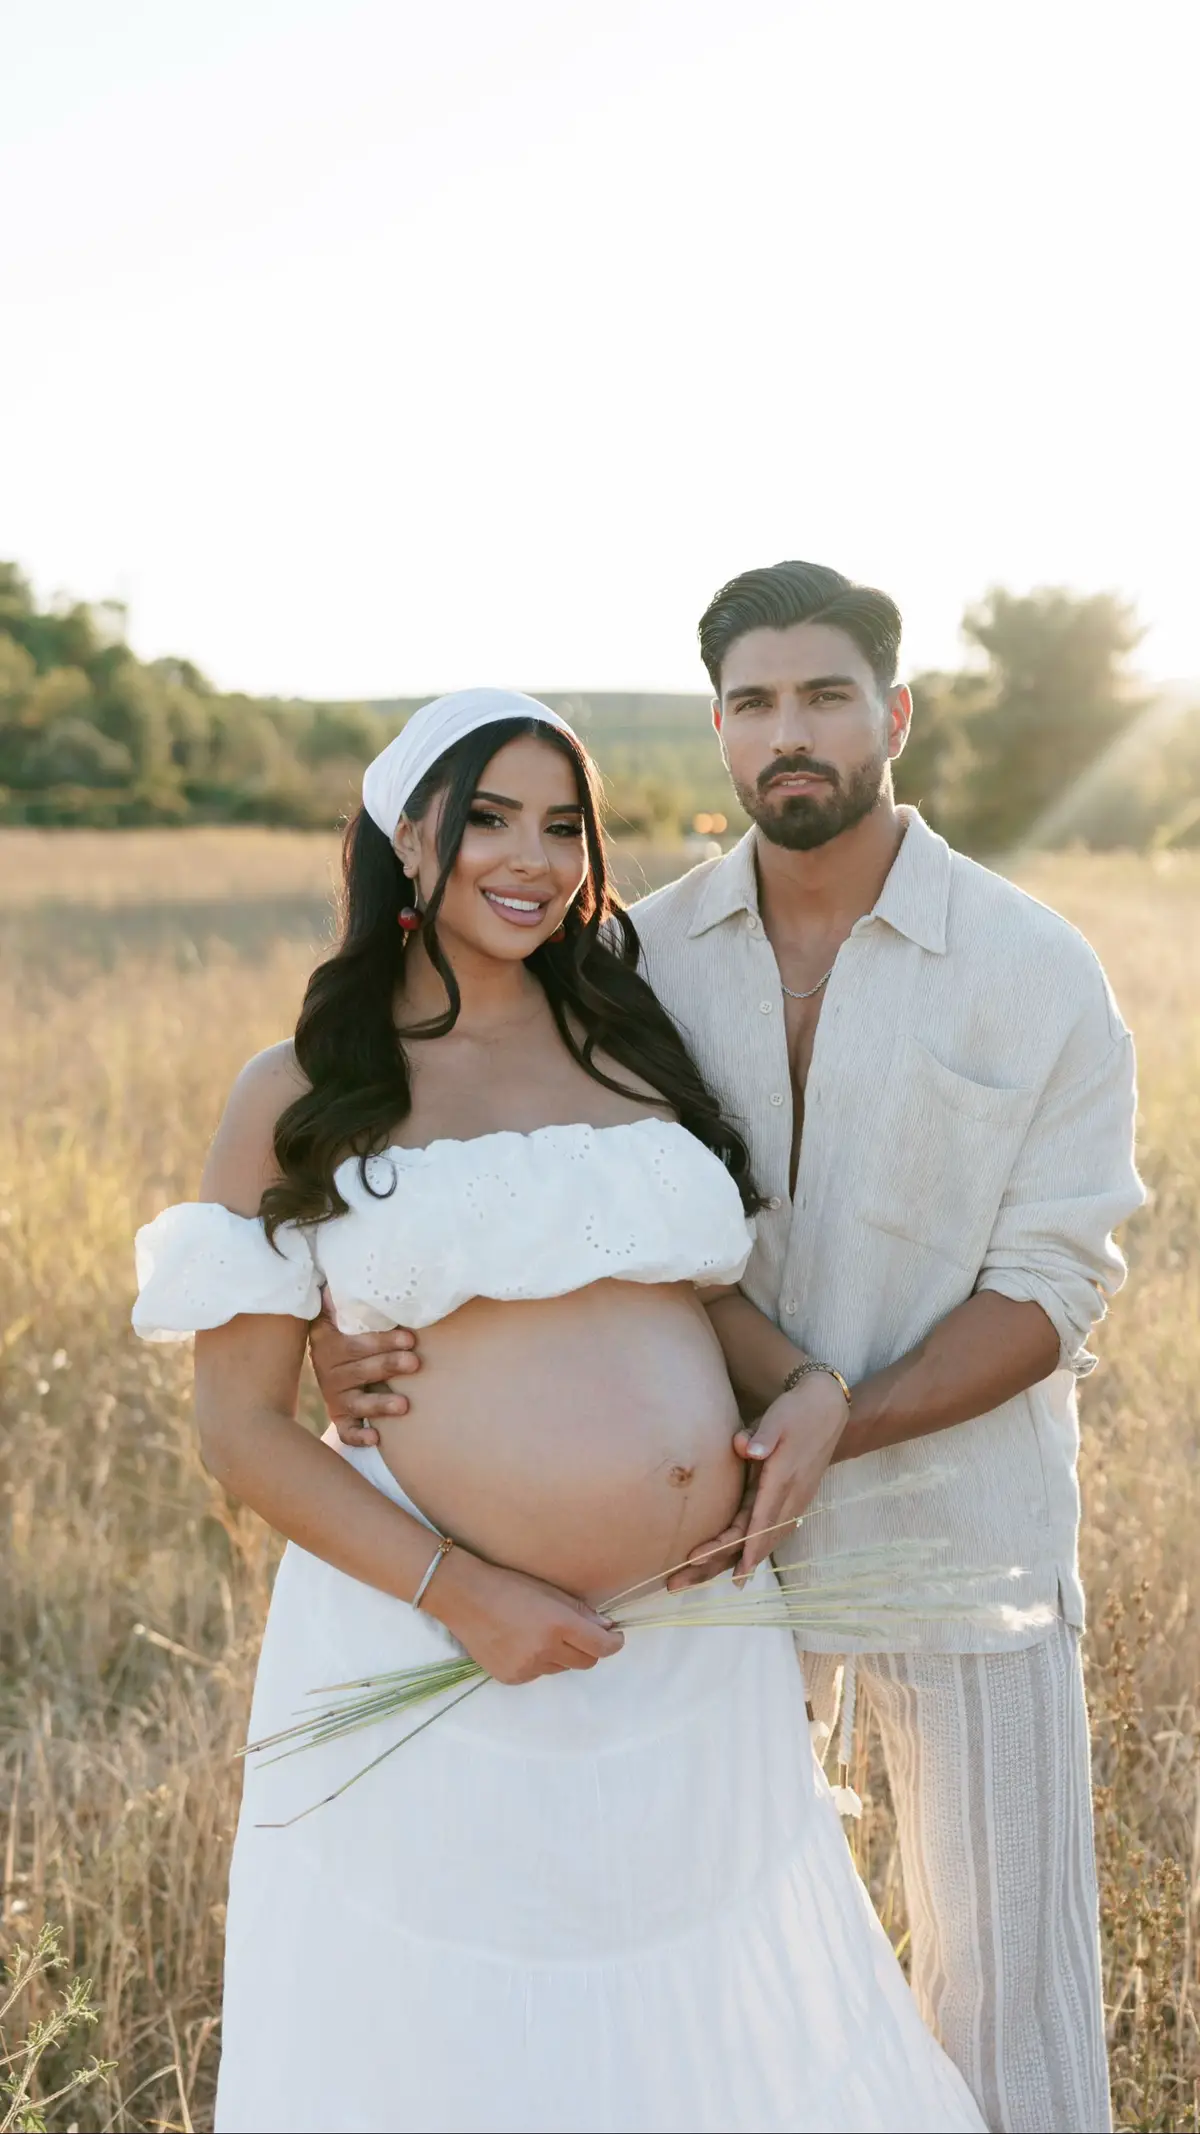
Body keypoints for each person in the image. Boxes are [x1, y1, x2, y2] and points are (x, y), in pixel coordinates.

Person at [316, 577, 1145, 2134]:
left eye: (826, 695)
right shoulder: (633, 958)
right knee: (740, 1993)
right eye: (754, 703)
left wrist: (838, 1420)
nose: (791, 733)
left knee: (1004, 1990)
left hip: (966, 1552)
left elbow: (1051, 1287)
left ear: (893, 716)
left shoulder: (1038, 972)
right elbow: (489, 1156)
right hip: (708, 1586)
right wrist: (330, 1327)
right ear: (716, 731)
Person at [133, 687, 985, 2134]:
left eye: (563, 822)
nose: (530, 856)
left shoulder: (628, 1047)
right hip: (442, 1644)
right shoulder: (306, 1091)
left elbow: (696, 1306)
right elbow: (242, 1431)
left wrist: (812, 1392)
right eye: (488, 819)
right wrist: (467, 1594)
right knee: (455, 2039)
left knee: (706, 2026)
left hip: (690, 1645)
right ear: (407, 838)